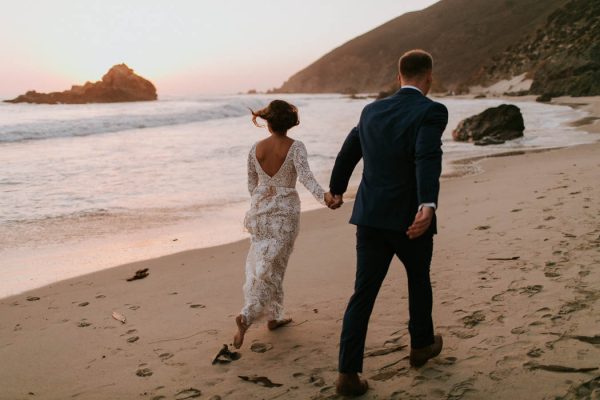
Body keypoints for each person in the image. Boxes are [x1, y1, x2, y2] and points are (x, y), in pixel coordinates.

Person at [326, 49, 449, 396]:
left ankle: (347, 374)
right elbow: (427, 155)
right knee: (418, 279)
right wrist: (427, 203)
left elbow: (350, 149)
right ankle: (421, 345)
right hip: (410, 219)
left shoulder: (371, 110)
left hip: (370, 217)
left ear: (399, 77)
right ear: (428, 78)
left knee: (362, 294)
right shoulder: (432, 110)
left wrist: (336, 189)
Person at [234, 100, 334, 348]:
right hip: (285, 213)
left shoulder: (255, 148)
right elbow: (307, 178)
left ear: (268, 123)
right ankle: (247, 315)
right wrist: (326, 198)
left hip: (259, 212)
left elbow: (251, 185)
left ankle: (274, 316)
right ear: (290, 123)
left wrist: (263, 201)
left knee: (262, 262)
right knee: (275, 265)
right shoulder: (296, 147)